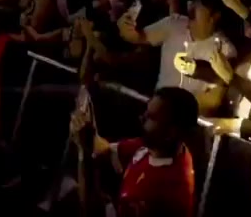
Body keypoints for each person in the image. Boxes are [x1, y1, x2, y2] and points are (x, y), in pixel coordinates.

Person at [70, 86, 198, 217]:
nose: (142, 118)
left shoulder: (162, 192)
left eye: (151, 117)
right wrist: (88, 131)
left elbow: (91, 212)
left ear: (172, 132)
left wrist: (84, 153)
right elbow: (106, 150)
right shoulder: (159, 147)